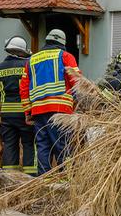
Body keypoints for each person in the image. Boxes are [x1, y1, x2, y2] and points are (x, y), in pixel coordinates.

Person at [19, 29, 82, 175]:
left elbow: (23, 88)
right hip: (61, 109)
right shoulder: (65, 56)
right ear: (62, 43)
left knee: (42, 145)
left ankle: (44, 179)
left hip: (38, 111)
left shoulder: (31, 60)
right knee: (62, 143)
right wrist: (79, 103)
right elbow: (77, 81)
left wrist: (28, 111)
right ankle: (65, 177)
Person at [0, 36, 35, 175]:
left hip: (7, 115)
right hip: (26, 113)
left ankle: (9, 178)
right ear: (23, 51)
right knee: (29, 145)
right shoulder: (30, 65)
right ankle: (30, 177)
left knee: (9, 146)